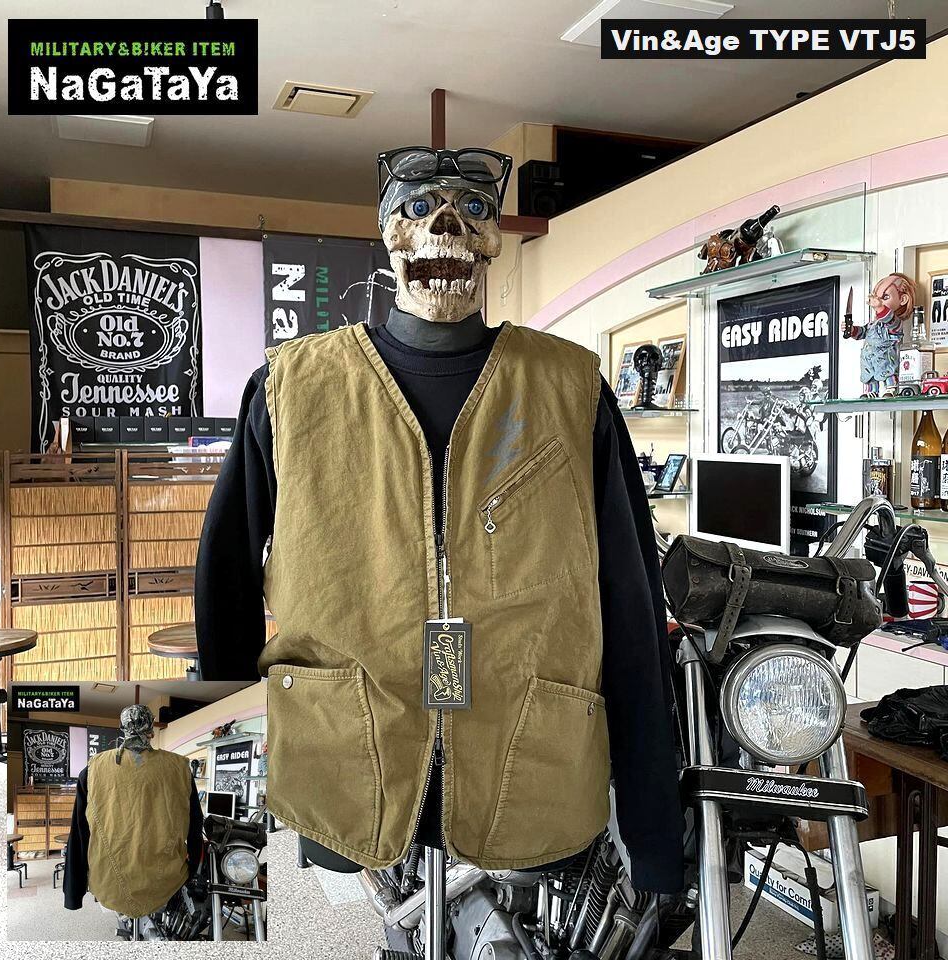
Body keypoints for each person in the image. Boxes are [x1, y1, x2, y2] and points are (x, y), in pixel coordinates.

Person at [195, 146, 684, 893]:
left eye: (474, 210)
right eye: (419, 209)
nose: (446, 225)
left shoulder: (569, 389)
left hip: (529, 756)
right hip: (346, 752)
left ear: (495, 238)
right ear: (388, 231)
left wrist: (652, 824)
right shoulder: (292, 389)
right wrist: (226, 781)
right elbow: (225, 581)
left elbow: (628, 595)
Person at [64, 704, 203, 918]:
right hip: (165, 879)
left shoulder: (93, 769)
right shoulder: (180, 767)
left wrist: (74, 892)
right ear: (151, 729)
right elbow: (195, 823)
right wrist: (193, 868)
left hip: (109, 879)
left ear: (122, 728)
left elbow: (79, 833)